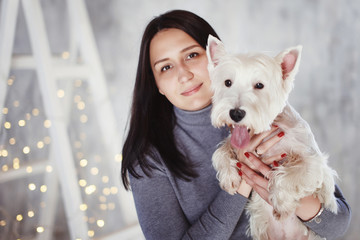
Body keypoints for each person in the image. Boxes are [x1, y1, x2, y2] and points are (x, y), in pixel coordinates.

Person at [121, 9, 351, 240]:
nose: (184, 74)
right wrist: (243, 178)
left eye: (191, 55)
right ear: (157, 84)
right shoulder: (147, 160)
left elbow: (338, 223)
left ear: (214, 60)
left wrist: (290, 195)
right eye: (166, 67)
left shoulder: (273, 115)